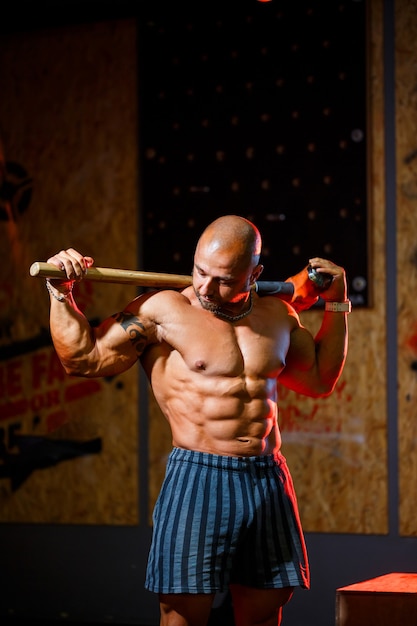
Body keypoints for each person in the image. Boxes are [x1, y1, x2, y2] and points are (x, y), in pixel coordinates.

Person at [45, 215, 349, 626]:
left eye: (223, 279)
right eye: (200, 271)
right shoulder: (163, 311)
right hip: (199, 475)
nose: (206, 287)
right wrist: (61, 293)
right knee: (182, 613)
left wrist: (336, 303)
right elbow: (83, 358)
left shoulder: (277, 315)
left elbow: (319, 380)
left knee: (266, 606)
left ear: (254, 274)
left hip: (267, 477)